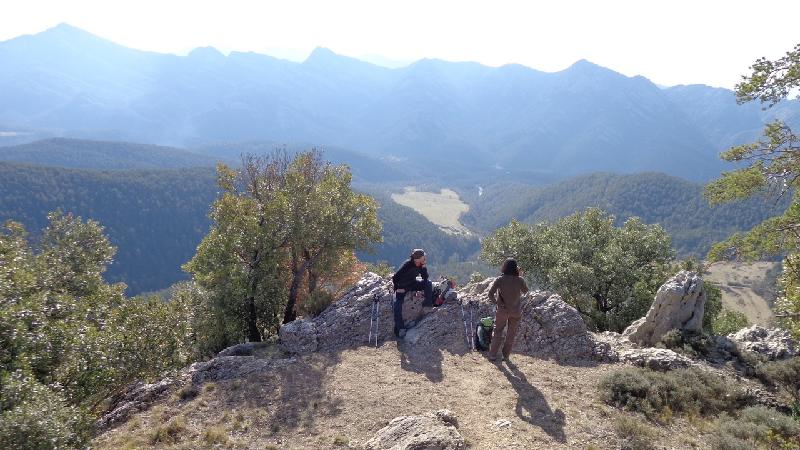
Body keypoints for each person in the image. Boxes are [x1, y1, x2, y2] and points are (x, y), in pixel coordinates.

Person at [487, 258, 528, 363]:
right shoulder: (520, 280)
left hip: (502, 310)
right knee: (511, 334)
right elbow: (526, 291)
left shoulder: (500, 279)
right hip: (515, 311)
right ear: (515, 268)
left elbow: (490, 294)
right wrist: (520, 276)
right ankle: (505, 356)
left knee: (497, 332)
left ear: (504, 267)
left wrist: (498, 303)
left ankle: (492, 355)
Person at [391, 248, 434, 338]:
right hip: (402, 286)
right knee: (398, 305)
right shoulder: (408, 265)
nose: (425, 258)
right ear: (417, 258)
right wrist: (397, 288)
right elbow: (395, 277)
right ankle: (400, 328)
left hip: (412, 284)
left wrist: (423, 267)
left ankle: (428, 304)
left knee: (428, 283)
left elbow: (425, 278)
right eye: (423, 257)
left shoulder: (420, 264)